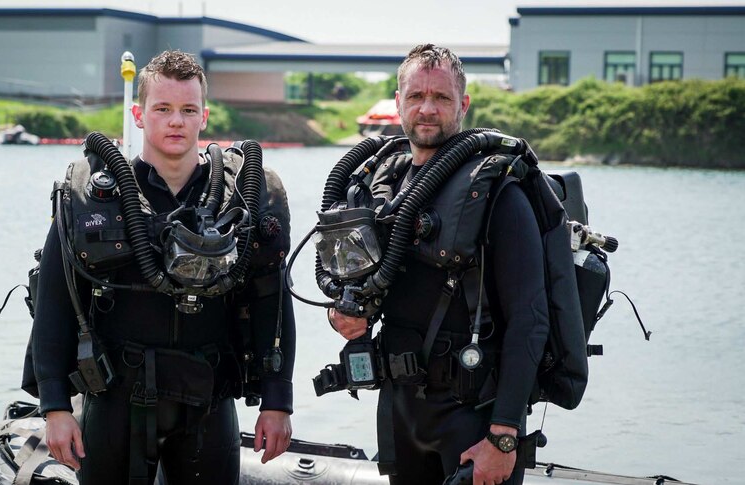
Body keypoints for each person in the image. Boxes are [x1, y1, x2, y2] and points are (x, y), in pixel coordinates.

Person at [30, 50, 295, 485]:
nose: (176, 121)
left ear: (204, 117)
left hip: (208, 400)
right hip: (116, 397)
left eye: (188, 110)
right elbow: (55, 306)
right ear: (138, 115)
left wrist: (278, 400)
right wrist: (56, 407)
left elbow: (273, 304)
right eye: (163, 109)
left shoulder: (238, 202)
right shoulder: (92, 201)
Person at [327, 44, 549, 485]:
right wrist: (348, 317)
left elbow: (531, 318)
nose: (427, 109)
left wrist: (504, 435)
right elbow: (372, 285)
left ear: (462, 105)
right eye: (416, 97)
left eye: (442, 98)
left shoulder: (497, 192)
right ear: (398, 103)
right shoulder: (383, 187)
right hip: (402, 413)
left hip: (473, 416)